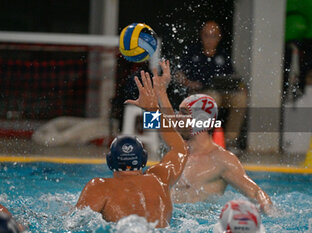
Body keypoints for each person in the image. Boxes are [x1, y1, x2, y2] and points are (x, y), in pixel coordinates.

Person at [154, 60, 273, 215]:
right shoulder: (178, 150)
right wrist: (161, 92)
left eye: (184, 113)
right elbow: (166, 122)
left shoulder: (221, 160)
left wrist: (267, 209)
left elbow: (256, 193)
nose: (177, 117)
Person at [75, 67, 188, 228]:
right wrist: (152, 110)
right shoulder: (160, 178)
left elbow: (72, 224)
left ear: (110, 161)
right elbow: (180, 149)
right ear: (144, 159)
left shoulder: (99, 187)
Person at [175, 20, 248, 149]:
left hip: (220, 91)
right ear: (201, 35)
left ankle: (230, 141)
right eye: (206, 35)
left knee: (240, 99)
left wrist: (241, 87)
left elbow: (233, 76)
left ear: (219, 37)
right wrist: (189, 83)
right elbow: (178, 74)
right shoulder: (193, 52)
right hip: (198, 93)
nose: (209, 39)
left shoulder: (223, 55)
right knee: (213, 98)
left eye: (213, 35)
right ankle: (203, 139)